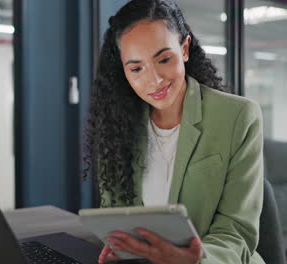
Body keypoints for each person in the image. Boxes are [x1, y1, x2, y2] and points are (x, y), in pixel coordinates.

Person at [83, 0, 265, 263]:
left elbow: (237, 232)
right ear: (123, 72)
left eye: (164, 59)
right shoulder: (118, 125)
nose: (154, 80)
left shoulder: (238, 117)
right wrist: (121, 246)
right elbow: (115, 212)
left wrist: (195, 259)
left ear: (185, 49)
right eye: (136, 68)